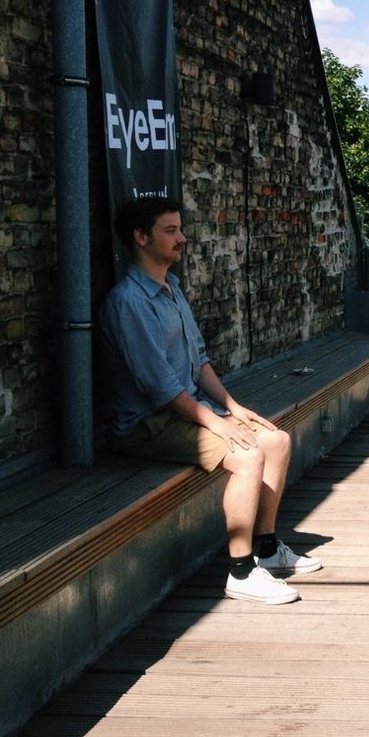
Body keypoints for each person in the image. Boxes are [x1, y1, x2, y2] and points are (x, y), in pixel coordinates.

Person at [99, 196, 321, 605]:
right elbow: (159, 387)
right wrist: (218, 424)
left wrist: (233, 407)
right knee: (248, 455)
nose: (182, 238)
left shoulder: (172, 288)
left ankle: (267, 549)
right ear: (140, 237)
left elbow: (199, 361)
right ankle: (240, 572)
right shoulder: (129, 302)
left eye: (180, 229)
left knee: (276, 440)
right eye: (171, 231)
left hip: (186, 411)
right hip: (146, 425)